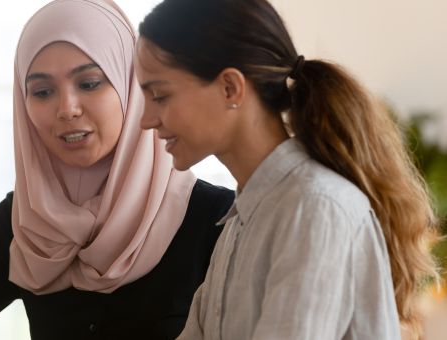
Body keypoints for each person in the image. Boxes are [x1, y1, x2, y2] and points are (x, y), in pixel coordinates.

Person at [134, 0, 440, 339]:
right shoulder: (243, 220)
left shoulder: (315, 209)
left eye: (159, 96)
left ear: (230, 88)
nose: (146, 119)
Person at [0, 1, 234, 339]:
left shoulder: (218, 219)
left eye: (89, 83)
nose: (67, 109)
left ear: (130, 86)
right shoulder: (27, 220)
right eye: (43, 91)